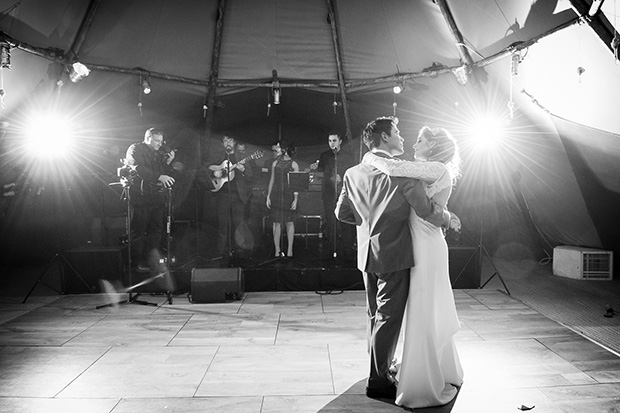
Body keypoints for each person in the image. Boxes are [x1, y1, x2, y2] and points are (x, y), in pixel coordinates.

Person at [335, 116, 458, 401]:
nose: (402, 137)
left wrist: (368, 222)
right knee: (388, 318)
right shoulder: (403, 173)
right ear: (385, 137)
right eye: (398, 132)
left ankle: (380, 367)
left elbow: (341, 213)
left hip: (366, 254)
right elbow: (426, 209)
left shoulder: (353, 172)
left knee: (374, 315)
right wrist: (450, 219)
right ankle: (378, 380)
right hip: (394, 253)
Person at [124, 128, 175, 272]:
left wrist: (168, 163)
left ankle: (152, 261)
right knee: (139, 230)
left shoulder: (158, 154)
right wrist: (159, 177)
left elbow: (161, 173)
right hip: (140, 196)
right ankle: (136, 263)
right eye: (157, 140)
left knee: (156, 230)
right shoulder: (135, 149)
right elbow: (137, 167)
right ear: (148, 138)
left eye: (161, 141)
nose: (160, 144)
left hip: (156, 197)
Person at [205, 134, 254, 258]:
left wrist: (243, 170)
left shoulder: (241, 157)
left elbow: (250, 175)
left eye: (230, 140)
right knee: (222, 224)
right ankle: (221, 251)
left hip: (238, 196)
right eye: (226, 140)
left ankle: (239, 250)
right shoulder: (217, 156)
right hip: (222, 195)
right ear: (222, 143)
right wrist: (213, 172)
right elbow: (204, 168)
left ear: (234, 143)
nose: (228, 143)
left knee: (239, 224)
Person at [310, 132, 355, 255]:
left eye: (334, 140)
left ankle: (347, 249)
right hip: (329, 193)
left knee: (345, 221)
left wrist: (342, 178)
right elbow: (320, 173)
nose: (331, 143)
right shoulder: (325, 155)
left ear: (340, 141)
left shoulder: (348, 156)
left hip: (344, 192)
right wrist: (315, 168)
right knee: (330, 221)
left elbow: (353, 172)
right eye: (330, 141)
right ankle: (332, 248)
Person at [266, 140, 299, 257]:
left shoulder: (294, 164)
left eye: (279, 148)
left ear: (284, 149)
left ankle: (290, 249)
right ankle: (277, 250)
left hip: (288, 195)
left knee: (289, 222)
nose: (277, 150)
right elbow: (272, 180)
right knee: (277, 222)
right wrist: (268, 196)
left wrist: (295, 199)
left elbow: (296, 184)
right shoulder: (275, 163)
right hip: (276, 194)